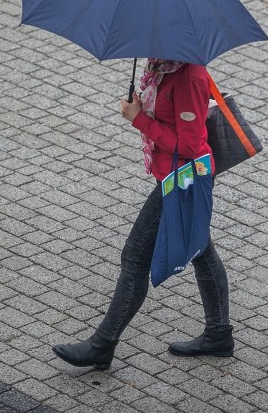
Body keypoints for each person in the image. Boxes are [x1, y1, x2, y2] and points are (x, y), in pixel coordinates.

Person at [53, 58, 234, 370]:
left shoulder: (189, 77)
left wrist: (139, 119)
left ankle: (102, 344)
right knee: (201, 248)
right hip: (173, 175)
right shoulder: (161, 68)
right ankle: (219, 334)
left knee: (135, 258)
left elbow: (189, 146)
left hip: (184, 179)